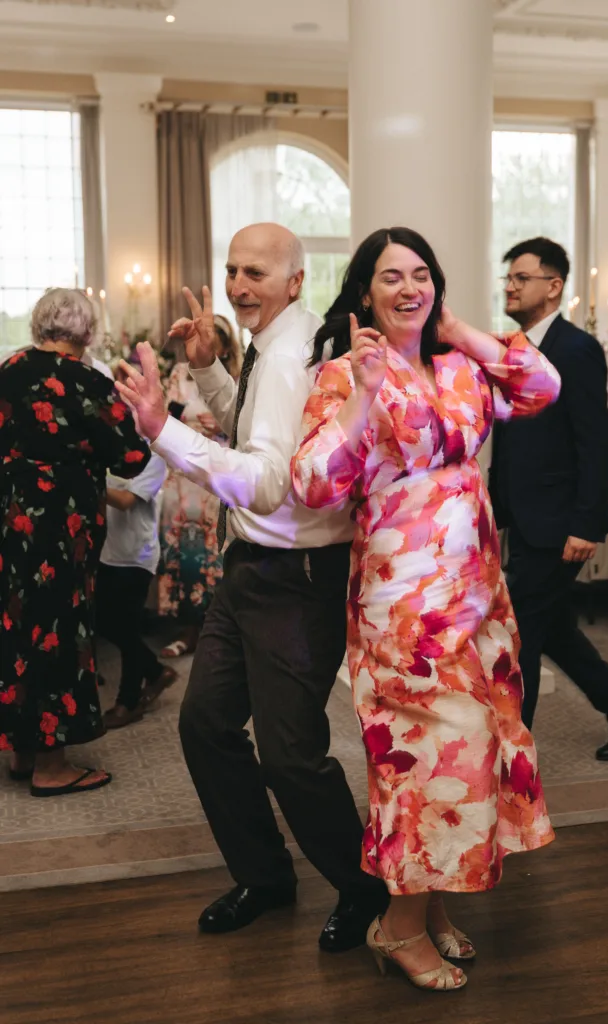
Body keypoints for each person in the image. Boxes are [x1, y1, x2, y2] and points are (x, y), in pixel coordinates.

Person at [291, 227, 557, 993]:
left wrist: (458, 331)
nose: (407, 288)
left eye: (420, 275)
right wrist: (368, 392)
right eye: (389, 278)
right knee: (439, 761)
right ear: (363, 293)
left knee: (468, 752)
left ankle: (429, 909)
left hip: (476, 596)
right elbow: (311, 483)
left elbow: (540, 387)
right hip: (402, 609)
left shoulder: (459, 366)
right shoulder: (346, 374)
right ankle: (397, 927)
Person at [116, 223, 388, 951]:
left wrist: (162, 430)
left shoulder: (298, 355)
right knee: (204, 724)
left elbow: (267, 482)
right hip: (248, 573)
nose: (238, 285)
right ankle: (265, 877)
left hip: (296, 581)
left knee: (291, 755)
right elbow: (259, 432)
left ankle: (366, 892)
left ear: (294, 281)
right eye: (233, 270)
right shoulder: (273, 347)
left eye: (255, 273)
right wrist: (208, 372)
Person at [489, 237, 608, 759]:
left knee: (517, 638)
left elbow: (594, 441)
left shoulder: (577, 350)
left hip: (560, 523)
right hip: (525, 516)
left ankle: (516, 760)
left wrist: (587, 522)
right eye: (508, 279)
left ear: (553, 286)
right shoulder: (516, 348)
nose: (510, 287)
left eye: (521, 278)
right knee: (554, 630)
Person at [0, 288, 150, 795]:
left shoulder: (8, 369)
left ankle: (22, 752)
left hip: (10, 522)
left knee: (18, 628)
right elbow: (131, 458)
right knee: (59, 635)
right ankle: (51, 766)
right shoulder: (87, 381)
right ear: (87, 334)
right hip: (63, 532)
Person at [157, 316, 243, 658]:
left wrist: (223, 426)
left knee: (214, 554)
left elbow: (247, 431)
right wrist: (191, 422)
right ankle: (187, 629)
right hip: (182, 479)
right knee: (182, 553)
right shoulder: (181, 374)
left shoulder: (237, 379)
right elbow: (166, 414)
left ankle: (219, 630)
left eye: (218, 345)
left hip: (218, 478)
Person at [97, 452, 178, 729]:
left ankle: (128, 702)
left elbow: (124, 501)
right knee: (103, 622)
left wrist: (84, 479)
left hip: (137, 556)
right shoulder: (107, 450)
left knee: (128, 627)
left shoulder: (152, 459)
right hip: (107, 552)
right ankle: (156, 672)